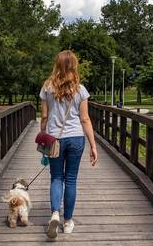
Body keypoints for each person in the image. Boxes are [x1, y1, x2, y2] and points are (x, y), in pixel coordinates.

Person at [39, 50, 98, 239]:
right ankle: (67, 221)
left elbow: (45, 116)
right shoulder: (80, 90)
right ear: (74, 66)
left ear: (57, 65)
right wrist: (93, 145)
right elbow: (85, 119)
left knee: (56, 178)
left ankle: (55, 213)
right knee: (71, 179)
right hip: (76, 139)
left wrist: (43, 134)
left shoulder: (47, 87)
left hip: (54, 139)